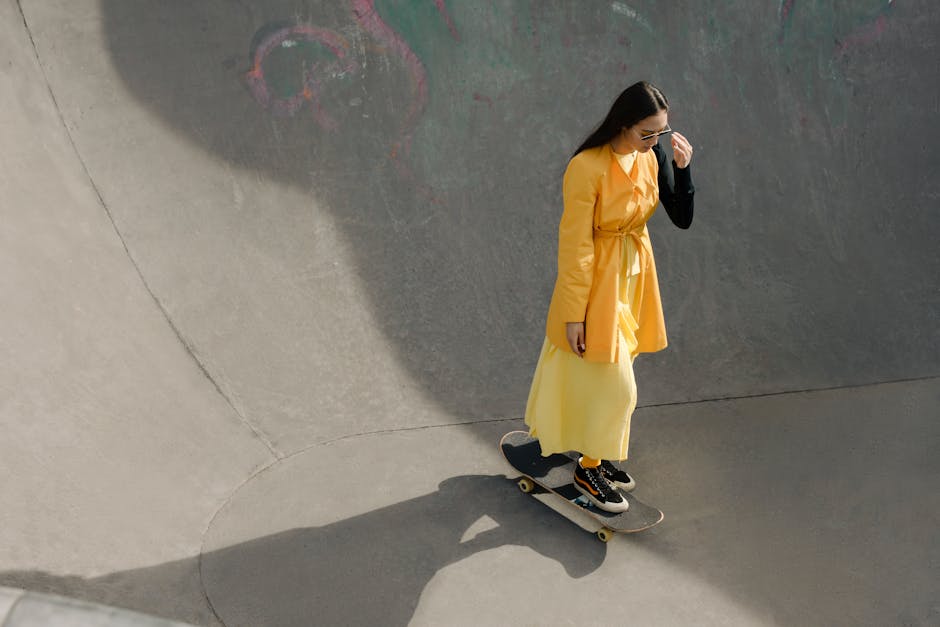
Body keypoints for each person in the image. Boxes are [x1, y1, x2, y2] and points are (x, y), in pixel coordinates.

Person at [524, 81, 695, 513]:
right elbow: (575, 245)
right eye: (647, 133)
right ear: (623, 124)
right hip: (600, 279)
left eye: (661, 132)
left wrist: (682, 167)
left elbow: (681, 216)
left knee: (611, 370)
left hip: (634, 275)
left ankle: (592, 455)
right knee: (619, 385)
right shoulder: (586, 167)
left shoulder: (649, 156)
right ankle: (589, 469)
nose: (654, 141)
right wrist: (573, 312)